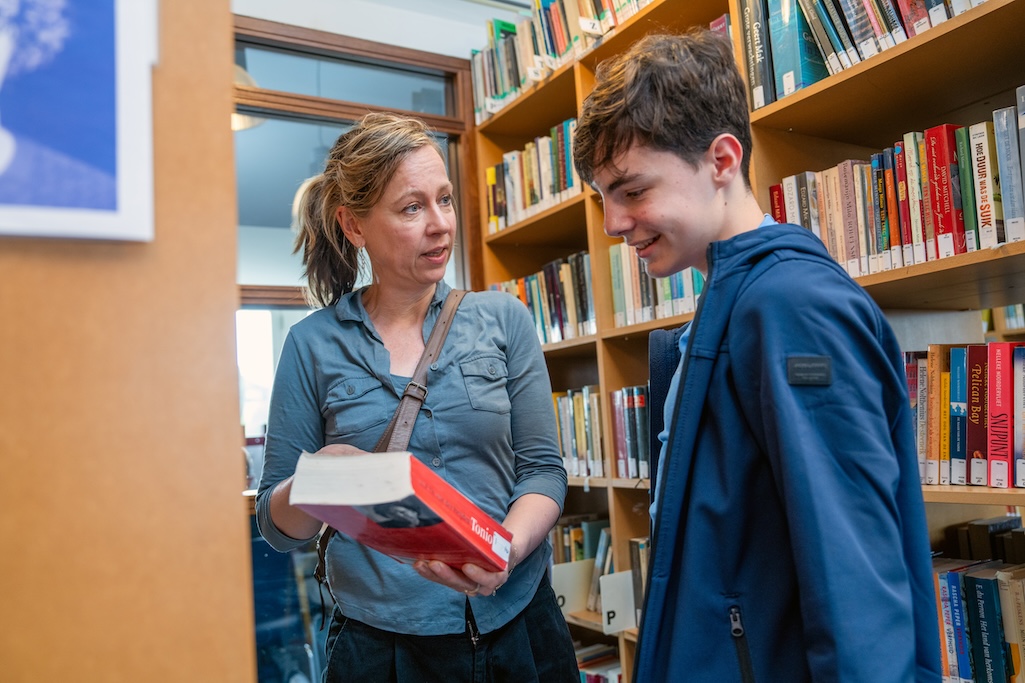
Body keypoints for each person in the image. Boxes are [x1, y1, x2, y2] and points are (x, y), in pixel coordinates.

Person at [572, 29, 941, 682]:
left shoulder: (792, 309)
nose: (611, 224)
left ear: (720, 159)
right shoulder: (734, 293)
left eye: (630, 190)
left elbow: (849, 565)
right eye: (602, 196)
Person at [255, 112, 579, 683]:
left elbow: (543, 471)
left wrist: (502, 551)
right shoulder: (312, 345)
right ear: (354, 226)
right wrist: (314, 482)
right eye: (412, 208)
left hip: (520, 627)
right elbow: (279, 529)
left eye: (445, 200)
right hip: (380, 650)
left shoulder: (503, 319)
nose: (440, 225)